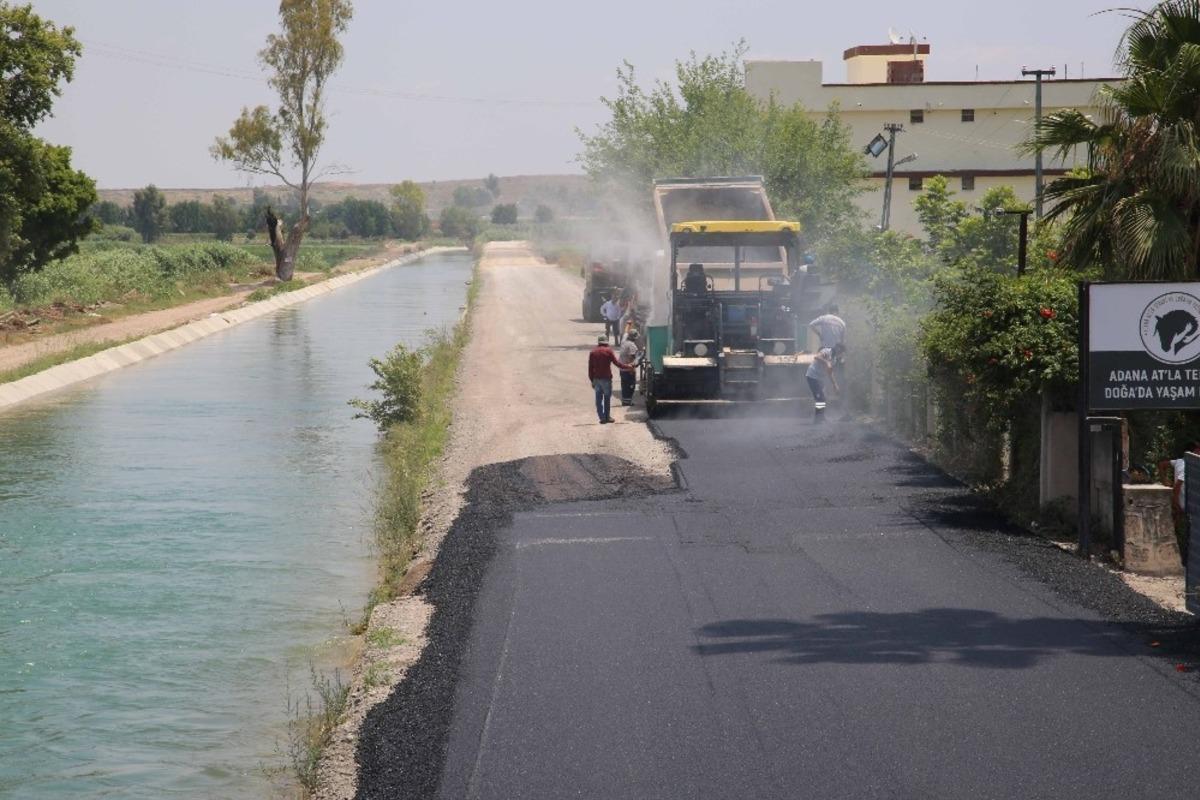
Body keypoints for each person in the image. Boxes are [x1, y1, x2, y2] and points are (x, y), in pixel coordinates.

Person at [589, 335, 636, 424]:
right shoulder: (608, 351)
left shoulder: (593, 352)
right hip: (606, 379)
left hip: (597, 379)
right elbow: (617, 363)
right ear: (606, 342)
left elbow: (590, 368)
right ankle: (607, 417)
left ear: (599, 342)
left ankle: (602, 417)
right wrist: (628, 367)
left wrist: (592, 380)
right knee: (607, 398)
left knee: (598, 399)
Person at [806, 344, 842, 420]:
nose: (841, 354)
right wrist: (826, 362)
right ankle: (818, 418)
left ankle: (821, 417)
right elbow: (817, 357)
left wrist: (835, 385)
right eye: (841, 351)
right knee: (820, 398)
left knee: (824, 397)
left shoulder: (834, 359)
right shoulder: (826, 351)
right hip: (812, 376)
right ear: (838, 349)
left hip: (819, 378)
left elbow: (830, 373)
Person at [618, 330, 642, 406]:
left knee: (624, 385)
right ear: (634, 337)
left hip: (622, 368)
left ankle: (625, 401)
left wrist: (628, 325)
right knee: (631, 385)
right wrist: (640, 357)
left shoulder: (623, 342)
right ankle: (627, 402)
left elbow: (625, 333)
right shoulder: (632, 345)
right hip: (629, 368)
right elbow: (632, 357)